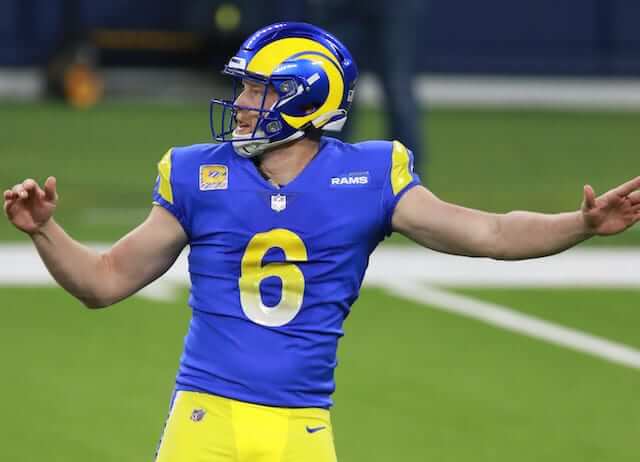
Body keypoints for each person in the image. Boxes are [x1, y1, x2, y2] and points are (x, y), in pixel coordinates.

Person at [3, 22, 639, 462]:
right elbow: (104, 282)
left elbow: (490, 234)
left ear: (305, 97)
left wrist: (579, 224)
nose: (241, 102)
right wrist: (44, 231)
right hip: (203, 418)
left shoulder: (369, 176)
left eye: (258, 89)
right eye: (244, 87)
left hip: (301, 426)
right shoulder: (199, 173)